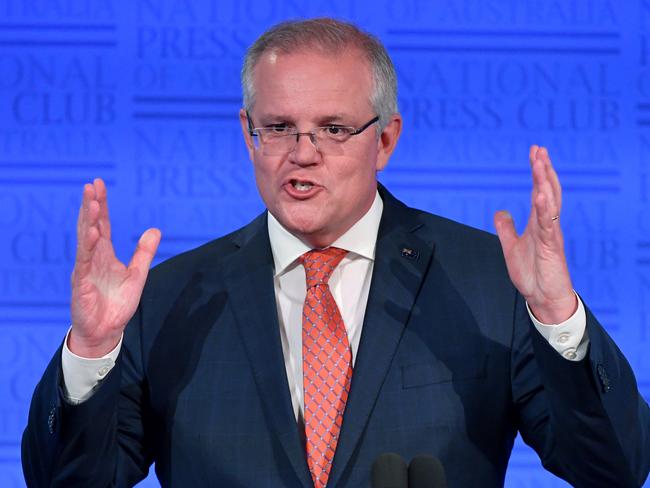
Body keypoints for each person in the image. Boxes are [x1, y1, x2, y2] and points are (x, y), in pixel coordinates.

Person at [22, 18, 650, 487]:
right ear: (248, 134)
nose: (303, 153)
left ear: (386, 140)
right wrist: (93, 350)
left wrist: (558, 316)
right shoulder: (168, 298)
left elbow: (615, 468)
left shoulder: (488, 282)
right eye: (278, 128)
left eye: (332, 128)